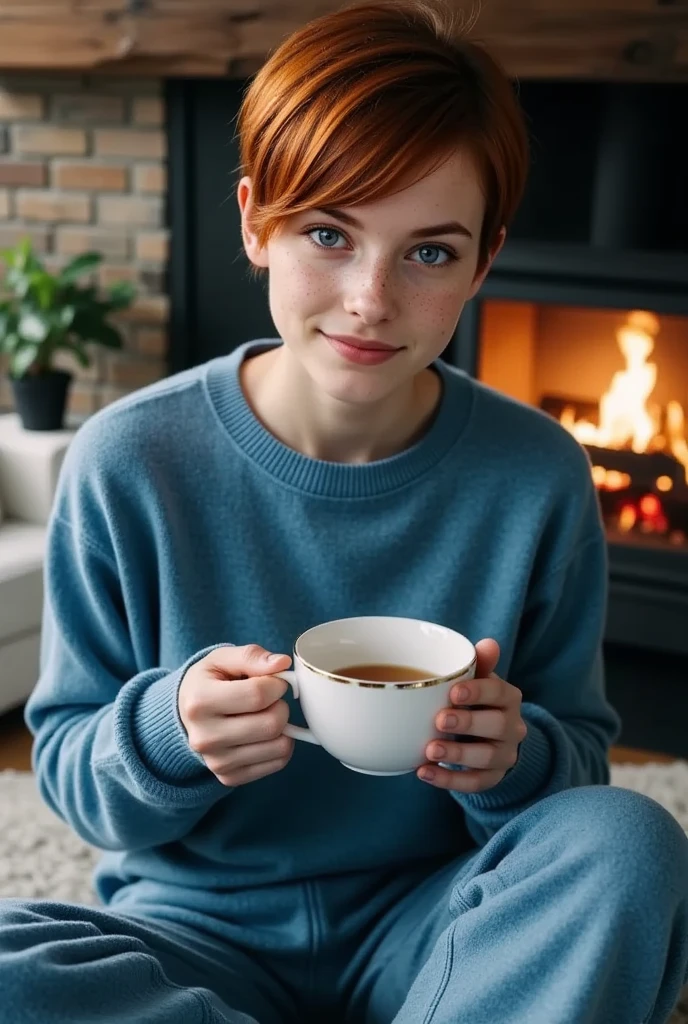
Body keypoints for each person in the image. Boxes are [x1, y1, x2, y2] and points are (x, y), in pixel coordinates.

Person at [1, 1, 687, 1021]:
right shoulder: (128, 461)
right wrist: (165, 729)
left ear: (483, 261)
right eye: (329, 232)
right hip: (192, 936)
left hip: (441, 928)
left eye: (428, 253)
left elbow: (576, 764)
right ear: (254, 222)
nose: (370, 298)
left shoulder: (536, 473)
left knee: (627, 844)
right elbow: (69, 772)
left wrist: (516, 755)